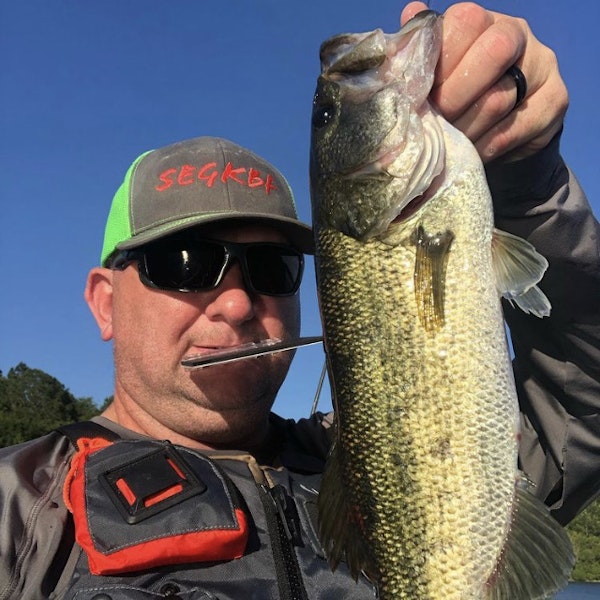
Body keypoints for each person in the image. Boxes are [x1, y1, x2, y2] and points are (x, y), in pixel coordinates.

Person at [1, 2, 599, 598]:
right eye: (186, 265)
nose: (237, 304)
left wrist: (531, 182)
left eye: (272, 267)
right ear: (104, 302)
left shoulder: (355, 456)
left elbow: (584, 401)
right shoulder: (19, 509)